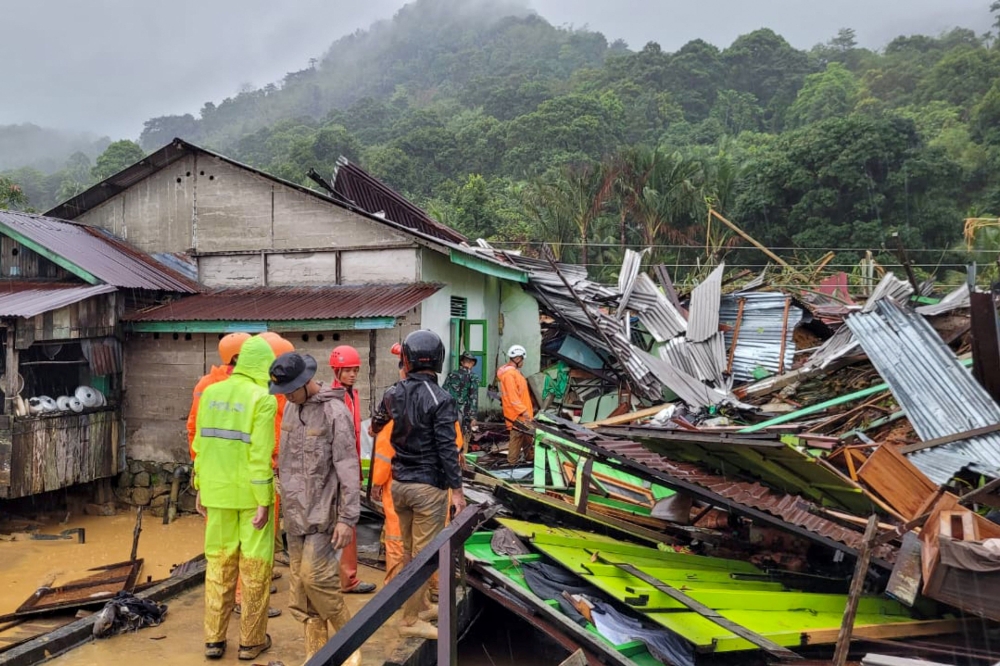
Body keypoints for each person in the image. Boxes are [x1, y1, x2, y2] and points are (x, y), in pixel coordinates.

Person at [268, 352, 362, 666]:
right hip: (295, 514)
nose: (286, 396)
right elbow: (286, 463)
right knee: (300, 589)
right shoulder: (292, 410)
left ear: (308, 382)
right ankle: (317, 650)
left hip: (325, 512)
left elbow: (348, 468)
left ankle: (351, 641)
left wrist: (347, 518)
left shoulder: (334, 411)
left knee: (316, 578)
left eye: (291, 389)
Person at [371, 330, 466, 640]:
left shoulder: (392, 392)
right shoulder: (442, 398)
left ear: (407, 360)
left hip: (399, 485)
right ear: (438, 360)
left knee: (410, 551)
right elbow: (447, 449)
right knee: (426, 556)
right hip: (428, 488)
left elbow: (375, 424)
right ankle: (410, 620)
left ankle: (420, 604)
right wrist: (458, 490)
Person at [192, 335, 277, 661]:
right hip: (248, 495)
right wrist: (264, 500)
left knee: (218, 565)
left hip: (216, 492)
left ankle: (213, 641)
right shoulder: (263, 399)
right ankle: (251, 642)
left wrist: (200, 485)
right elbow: (260, 456)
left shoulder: (211, 393)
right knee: (255, 570)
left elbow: (201, 444)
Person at [328, 345, 377, 595]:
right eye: (347, 370)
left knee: (348, 524)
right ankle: (344, 579)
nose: (352, 374)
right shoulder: (331, 397)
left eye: (355, 370)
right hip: (336, 472)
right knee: (341, 524)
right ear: (337, 370)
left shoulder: (352, 395)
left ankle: (347, 578)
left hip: (349, 469)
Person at [258, 331, 295, 568]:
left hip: (278, 456)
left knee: (275, 509)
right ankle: (265, 565)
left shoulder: (278, 387)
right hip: (265, 461)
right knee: (265, 513)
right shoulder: (262, 391)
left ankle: (275, 553)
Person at [187, 332, 250, 460]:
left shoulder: (205, 383)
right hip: (242, 461)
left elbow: (193, 425)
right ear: (236, 357)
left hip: (210, 460)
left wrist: (196, 459)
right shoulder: (251, 385)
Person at [497, 344, 534, 465]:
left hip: (522, 415)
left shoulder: (514, 373)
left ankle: (530, 460)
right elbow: (513, 397)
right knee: (516, 439)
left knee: (527, 438)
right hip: (517, 416)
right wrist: (524, 411)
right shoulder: (509, 375)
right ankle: (511, 465)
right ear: (517, 359)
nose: (523, 362)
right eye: (522, 359)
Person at [442, 351, 479, 446]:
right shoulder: (472, 377)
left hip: (449, 410)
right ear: (473, 364)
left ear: (461, 363)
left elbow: (443, 392)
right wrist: (473, 417)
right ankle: (461, 458)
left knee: (450, 435)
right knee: (464, 437)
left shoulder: (451, 374)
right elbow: (473, 397)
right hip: (465, 413)